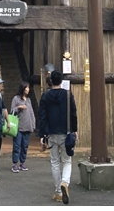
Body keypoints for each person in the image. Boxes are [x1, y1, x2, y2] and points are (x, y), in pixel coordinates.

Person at [37, 70, 77, 204]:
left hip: (51, 134)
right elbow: (73, 113)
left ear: (51, 81)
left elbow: (42, 117)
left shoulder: (45, 96)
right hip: (66, 133)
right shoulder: (67, 94)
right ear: (61, 81)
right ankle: (65, 182)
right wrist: (75, 130)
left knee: (54, 162)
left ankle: (58, 192)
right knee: (67, 161)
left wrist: (42, 135)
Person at [10, 82, 36, 173]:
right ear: (23, 89)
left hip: (27, 126)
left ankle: (22, 163)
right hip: (18, 127)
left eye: (28, 88)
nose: (28, 89)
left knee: (25, 146)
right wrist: (19, 107)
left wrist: (33, 124)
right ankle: (15, 164)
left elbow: (31, 113)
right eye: (26, 88)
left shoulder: (28, 100)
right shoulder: (16, 99)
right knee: (17, 146)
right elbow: (12, 110)